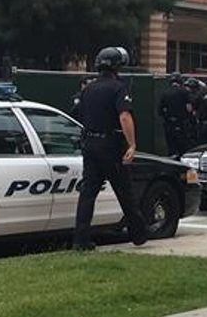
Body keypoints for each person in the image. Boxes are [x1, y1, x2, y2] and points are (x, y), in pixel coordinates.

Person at [70, 46, 147, 251]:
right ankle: (139, 233)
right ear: (117, 66)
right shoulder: (118, 88)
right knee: (124, 191)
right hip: (110, 146)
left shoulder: (88, 89)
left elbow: (78, 114)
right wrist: (132, 144)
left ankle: (81, 239)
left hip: (90, 145)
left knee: (88, 194)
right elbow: (124, 116)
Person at [157, 73, 193, 158]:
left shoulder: (165, 93)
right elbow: (189, 108)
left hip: (169, 124)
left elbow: (160, 111)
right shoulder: (184, 92)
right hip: (182, 123)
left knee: (171, 148)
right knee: (183, 148)